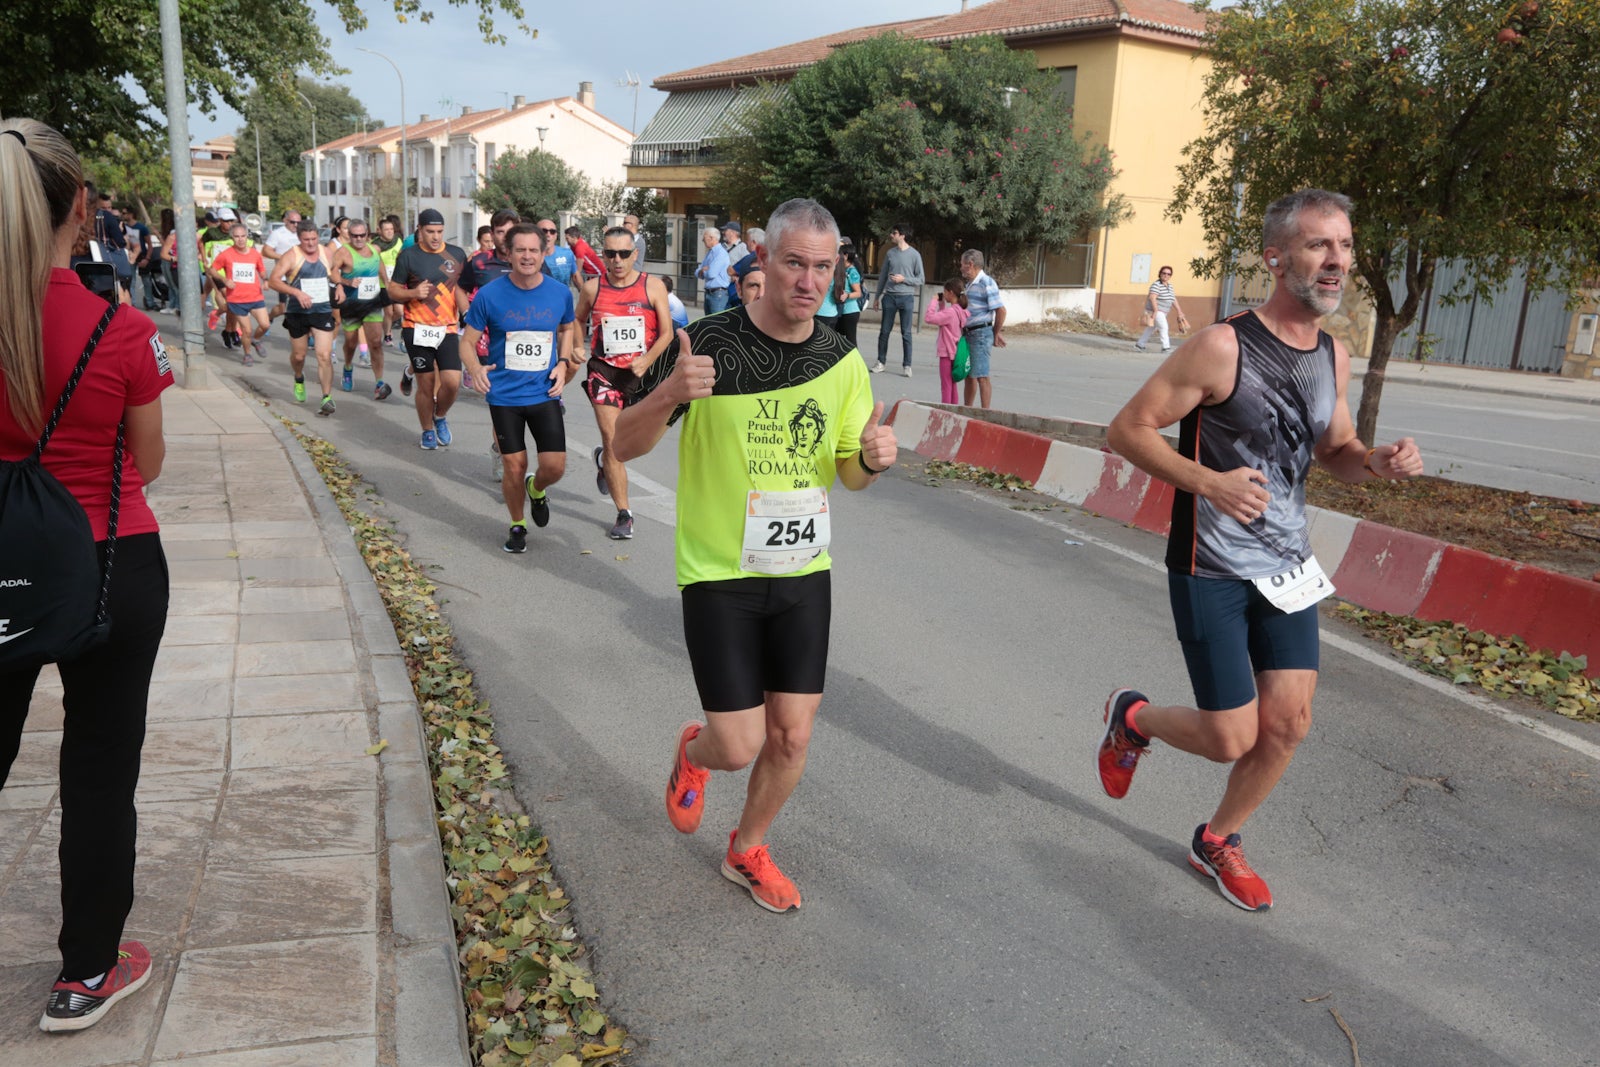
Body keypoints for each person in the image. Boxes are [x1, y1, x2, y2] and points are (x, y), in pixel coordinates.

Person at [1100, 188, 1425, 913]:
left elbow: (1337, 449)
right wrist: (1207, 481)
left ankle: (1217, 839)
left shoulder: (1333, 355)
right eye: (1319, 245)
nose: (1337, 259)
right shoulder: (1223, 346)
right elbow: (1127, 429)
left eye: (1344, 245)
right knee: (1229, 736)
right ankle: (1134, 717)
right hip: (1211, 565)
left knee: (1288, 723)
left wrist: (1377, 462)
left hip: (1287, 565)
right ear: (1277, 259)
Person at [612, 197, 898, 913]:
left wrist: (871, 459)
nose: (809, 281)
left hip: (802, 571)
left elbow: (849, 474)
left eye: (823, 267)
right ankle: (695, 750)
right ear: (763, 260)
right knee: (738, 746)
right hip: (719, 572)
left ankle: (746, 848)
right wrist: (668, 393)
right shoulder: (704, 342)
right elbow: (623, 444)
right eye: (795, 262)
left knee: (792, 737)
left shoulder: (842, 360)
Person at [0, 116, 174, 1032]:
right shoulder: (123, 327)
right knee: (101, 769)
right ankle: (86, 973)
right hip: (109, 561)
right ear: (81, 209)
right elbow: (148, 464)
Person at [460, 222, 578, 553]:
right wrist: (475, 368)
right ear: (509, 254)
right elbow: (466, 342)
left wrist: (563, 362)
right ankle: (517, 524)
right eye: (520, 250)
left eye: (534, 250)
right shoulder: (489, 294)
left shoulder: (559, 293)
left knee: (554, 467)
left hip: (544, 392)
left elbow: (567, 328)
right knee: (514, 465)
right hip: (504, 396)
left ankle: (536, 489)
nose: (527, 256)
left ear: (544, 254)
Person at [572, 226, 675, 539]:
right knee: (613, 440)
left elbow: (667, 333)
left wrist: (647, 360)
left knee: (636, 444)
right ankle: (624, 514)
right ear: (603, 254)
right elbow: (577, 319)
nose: (617, 260)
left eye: (624, 253)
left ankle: (604, 460)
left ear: (635, 254)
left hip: (641, 375)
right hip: (604, 372)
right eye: (610, 253)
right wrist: (577, 345)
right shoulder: (593, 288)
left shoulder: (652, 286)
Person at [388, 207, 469, 450]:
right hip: (417, 327)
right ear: (420, 231)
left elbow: (459, 288)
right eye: (430, 231)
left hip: (447, 328)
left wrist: (466, 312)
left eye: (440, 231)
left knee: (452, 382)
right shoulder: (408, 256)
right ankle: (427, 430)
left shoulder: (456, 255)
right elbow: (393, 290)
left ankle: (440, 415)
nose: (435, 236)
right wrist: (413, 292)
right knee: (426, 382)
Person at [267, 219, 342, 415]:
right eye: (306, 240)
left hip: (322, 310)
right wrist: (296, 292)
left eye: (314, 239)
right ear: (299, 238)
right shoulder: (291, 255)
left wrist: (339, 285)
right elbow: (273, 281)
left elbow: (334, 270)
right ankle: (299, 377)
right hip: (297, 311)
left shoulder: (326, 253)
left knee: (324, 355)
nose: (311, 243)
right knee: (299, 356)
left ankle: (326, 397)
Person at [327, 219, 392, 399]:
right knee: (351, 342)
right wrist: (345, 282)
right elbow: (332, 272)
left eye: (362, 235)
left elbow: (379, 264)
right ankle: (348, 367)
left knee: (376, 342)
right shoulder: (343, 252)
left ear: (367, 234)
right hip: (352, 304)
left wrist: (387, 283)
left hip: (372, 303)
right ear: (349, 235)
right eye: (354, 235)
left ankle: (379, 382)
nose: (358, 239)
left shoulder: (374, 249)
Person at [208, 222, 270, 365]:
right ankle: (247, 354)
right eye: (237, 236)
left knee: (265, 325)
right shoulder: (226, 254)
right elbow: (212, 270)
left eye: (243, 236)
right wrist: (225, 280)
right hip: (237, 299)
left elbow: (261, 269)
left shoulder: (254, 254)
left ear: (247, 236)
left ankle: (256, 339)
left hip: (255, 297)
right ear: (232, 237)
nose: (240, 239)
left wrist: (265, 280)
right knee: (246, 330)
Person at [873, 222, 924, 375]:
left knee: (906, 333)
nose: (891, 235)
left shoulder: (915, 255)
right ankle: (881, 362)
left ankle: (907, 365)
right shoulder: (890, 253)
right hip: (889, 297)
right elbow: (883, 276)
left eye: (894, 233)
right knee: (884, 331)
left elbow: (921, 279)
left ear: (902, 235)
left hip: (906, 298)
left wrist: (904, 279)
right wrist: (877, 297)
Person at [959, 249, 1006, 409]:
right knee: (969, 375)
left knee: (981, 375)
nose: (961, 267)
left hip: (980, 334)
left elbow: (1001, 310)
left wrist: (995, 332)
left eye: (962, 264)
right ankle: (968, 409)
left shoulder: (986, 283)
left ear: (970, 264)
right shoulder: (969, 284)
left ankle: (985, 412)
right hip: (969, 333)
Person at [924, 277, 969, 405]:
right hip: (956, 352)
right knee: (953, 385)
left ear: (951, 293)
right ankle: (954, 409)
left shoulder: (950, 313)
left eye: (945, 292)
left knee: (946, 386)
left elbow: (929, 318)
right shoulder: (961, 311)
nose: (943, 294)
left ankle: (946, 410)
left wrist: (934, 301)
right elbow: (943, 320)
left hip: (946, 353)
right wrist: (942, 305)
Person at [262, 209, 303, 322]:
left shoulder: (302, 233)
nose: (296, 225)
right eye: (292, 222)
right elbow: (265, 251)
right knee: (283, 308)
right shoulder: (278, 233)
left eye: (299, 222)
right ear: (285, 220)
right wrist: (283, 258)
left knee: (303, 304)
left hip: (301, 275)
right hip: (283, 276)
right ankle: (269, 317)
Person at [1136, 264, 1187, 352]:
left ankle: (1140, 344)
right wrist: (1156, 311)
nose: (1166, 275)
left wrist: (1179, 311)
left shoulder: (1169, 286)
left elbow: (1173, 299)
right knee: (1164, 327)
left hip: (1163, 311)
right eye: (1164, 273)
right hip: (1156, 311)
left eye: (1169, 274)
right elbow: (1152, 298)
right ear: (1160, 274)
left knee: (1151, 328)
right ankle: (1165, 347)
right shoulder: (1156, 285)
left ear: (1170, 276)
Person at [695, 227, 730, 315]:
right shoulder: (710, 253)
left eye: (704, 238)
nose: (703, 240)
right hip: (709, 292)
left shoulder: (721, 253)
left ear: (711, 238)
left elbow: (711, 273)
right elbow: (697, 272)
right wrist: (702, 270)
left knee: (716, 321)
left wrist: (703, 271)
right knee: (709, 321)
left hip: (718, 294)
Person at [835, 246, 864, 348]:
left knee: (851, 341)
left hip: (850, 312)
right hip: (841, 311)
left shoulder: (852, 272)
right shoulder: (842, 270)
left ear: (846, 256)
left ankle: (855, 359)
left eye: (839, 254)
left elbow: (858, 293)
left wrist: (847, 295)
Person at [539, 218, 578, 286]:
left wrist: (583, 291)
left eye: (552, 231)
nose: (548, 234)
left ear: (556, 236)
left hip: (563, 292)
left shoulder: (567, 254)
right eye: (544, 231)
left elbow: (576, 277)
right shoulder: (529, 256)